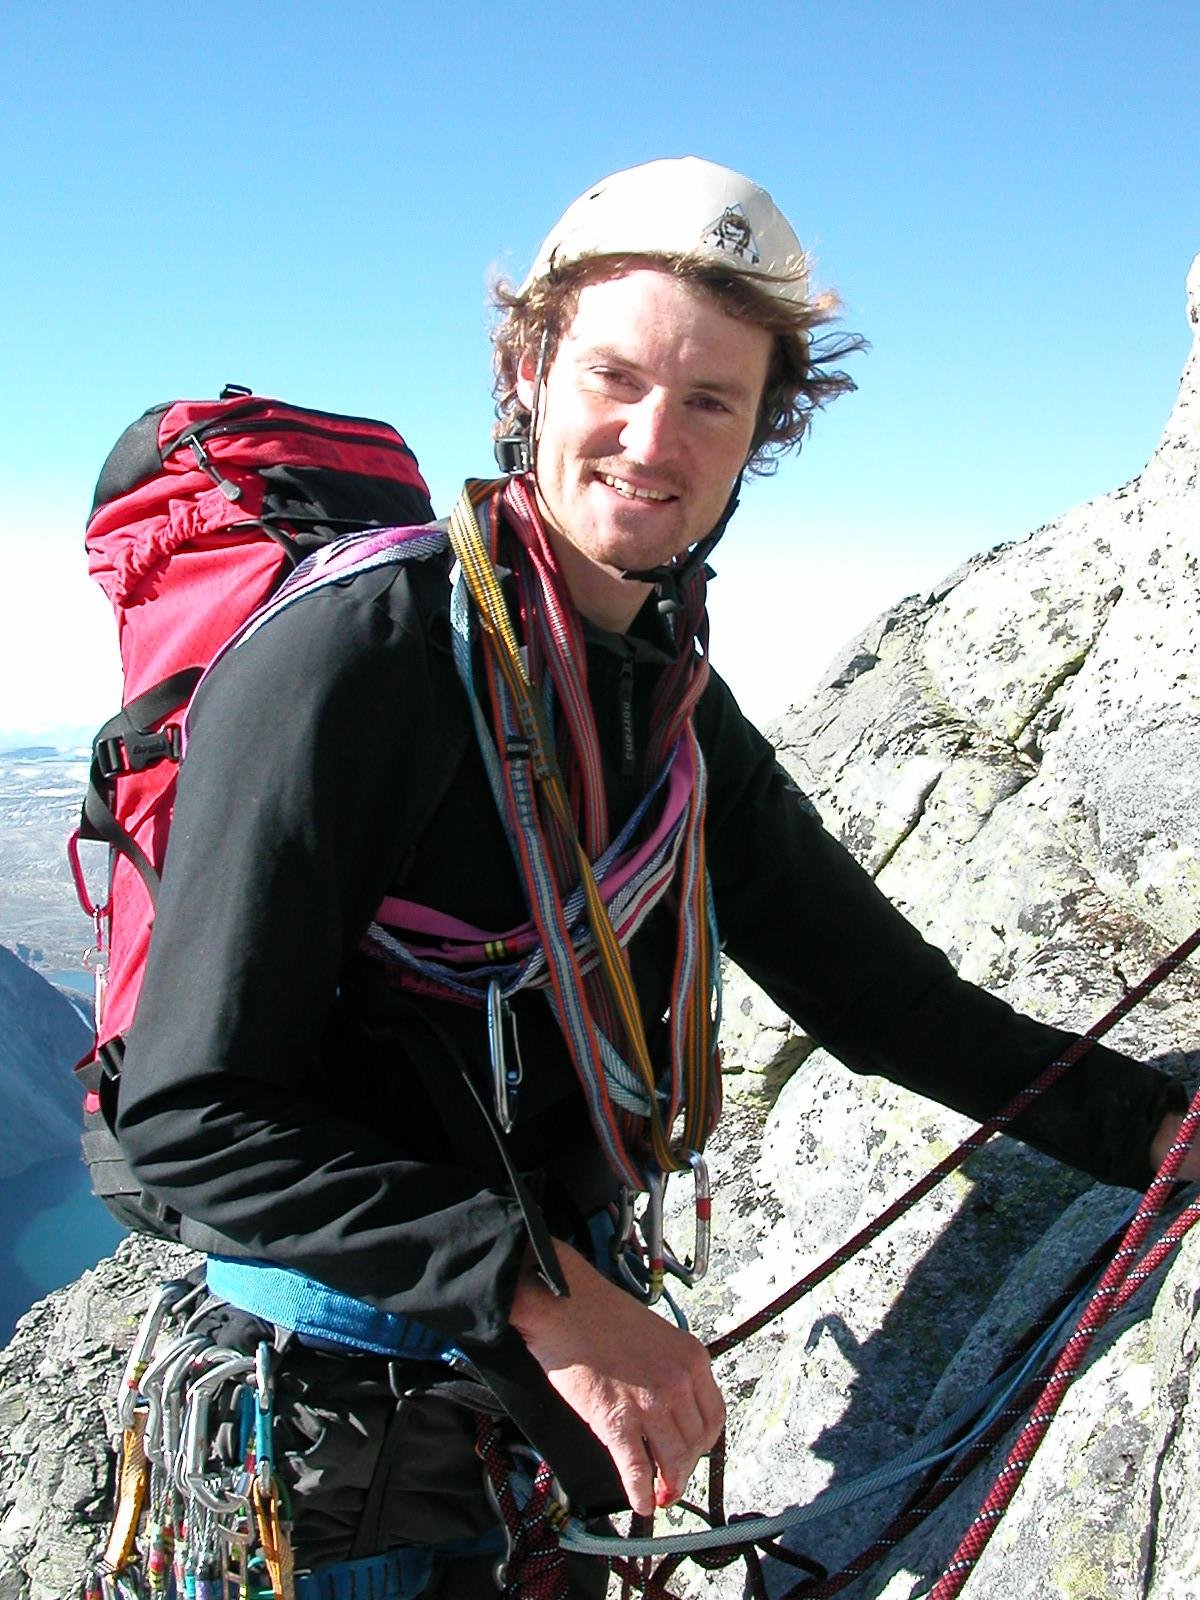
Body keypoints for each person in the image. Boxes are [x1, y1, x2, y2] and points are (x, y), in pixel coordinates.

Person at [116, 157, 1195, 1598]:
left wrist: (1158, 1130)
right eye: (613, 378)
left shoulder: (668, 702)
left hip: (536, 1360)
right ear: (528, 376)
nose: (651, 438)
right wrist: (542, 1294)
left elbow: (882, 999)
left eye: (711, 402)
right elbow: (190, 1115)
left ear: (761, 435)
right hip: (339, 1385)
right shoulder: (360, 657)